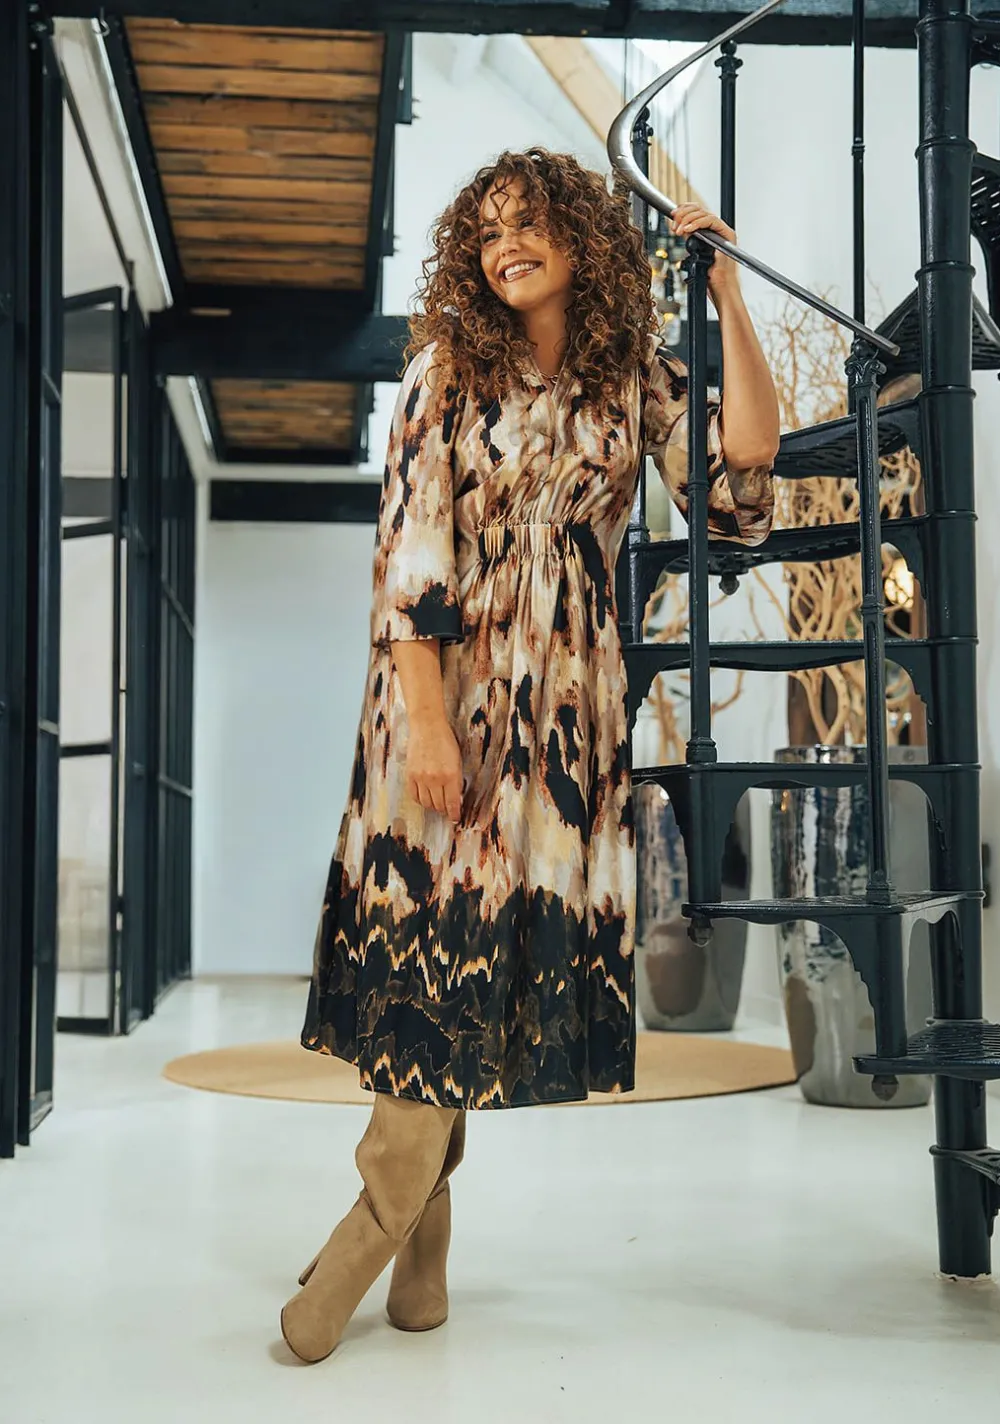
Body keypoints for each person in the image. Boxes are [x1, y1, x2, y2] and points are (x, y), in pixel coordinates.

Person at [280, 148, 780, 1363]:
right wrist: (429, 721)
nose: (506, 244)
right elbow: (409, 554)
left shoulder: (630, 374)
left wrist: (728, 293)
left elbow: (739, 485)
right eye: (489, 228)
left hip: (568, 707)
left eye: (529, 222)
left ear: (581, 238)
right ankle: (375, 1228)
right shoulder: (446, 366)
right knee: (429, 943)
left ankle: (417, 1244)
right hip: (442, 690)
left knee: (486, 953)